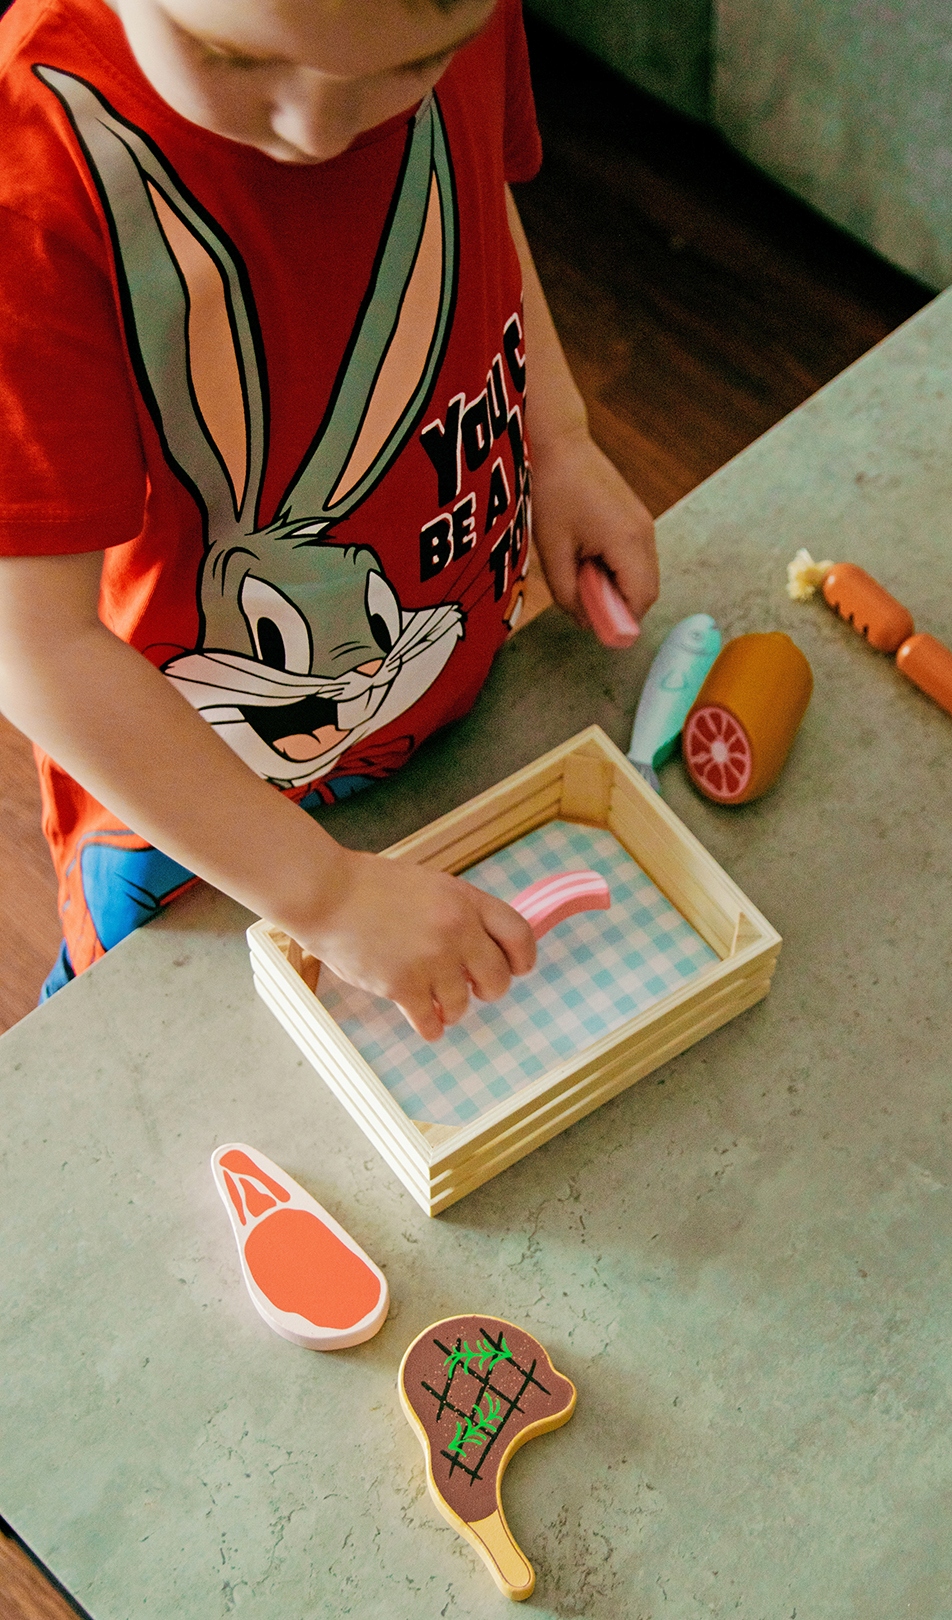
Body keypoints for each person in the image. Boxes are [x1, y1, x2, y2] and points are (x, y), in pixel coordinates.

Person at [0, 0, 658, 1039]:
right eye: (231, 57)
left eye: (412, 69)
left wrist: (558, 436)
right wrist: (326, 896)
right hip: (194, 838)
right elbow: (33, 649)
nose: (318, 131)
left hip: (439, 715)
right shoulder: (34, 187)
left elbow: (468, 184)